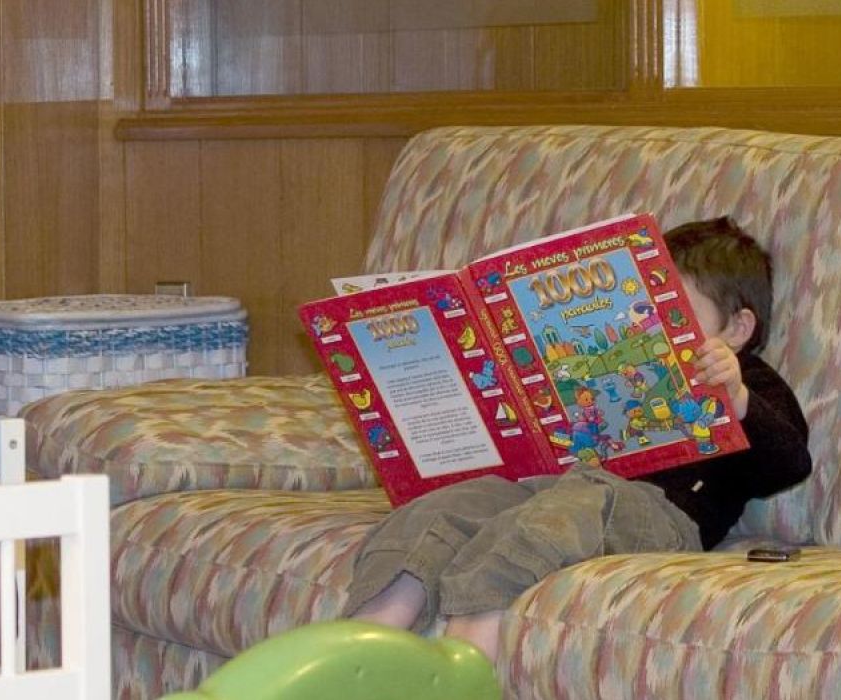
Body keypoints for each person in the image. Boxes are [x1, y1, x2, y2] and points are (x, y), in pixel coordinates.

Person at [347, 216, 813, 660]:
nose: (645, 322)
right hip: (552, 484)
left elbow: (789, 464)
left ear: (737, 329)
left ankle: (469, 653)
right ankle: (367, 640)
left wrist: (736, 397)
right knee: (452, 505)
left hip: (653, 512)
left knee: (567, 507)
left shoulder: (748, 380)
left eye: (669, 309)